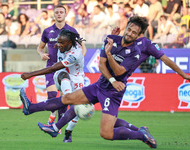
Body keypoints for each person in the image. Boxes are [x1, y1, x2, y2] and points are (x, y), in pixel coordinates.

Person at [20, 16, 158, 148]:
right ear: (126, 27)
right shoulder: (111, 39)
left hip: (111, 92)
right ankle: (35, 112)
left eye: (134, 32)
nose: (129, 33)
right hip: (99, 85)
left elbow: (118, 72)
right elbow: (102, 64)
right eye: (129, 29)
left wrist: (31, 74)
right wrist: (111, 45)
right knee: (68, 99)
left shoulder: (134, 52)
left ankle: (141, 135)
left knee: (106, 132)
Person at [21, 29, 85, 142]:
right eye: (58, 42)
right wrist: (60, 43)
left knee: (76, 110)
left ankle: (66, 132)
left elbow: (52, 68)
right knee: (64, 76)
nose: (59, 45)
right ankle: (66, 98)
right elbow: (56, 69)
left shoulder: (75, 53)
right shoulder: (65, 44)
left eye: (61, 43)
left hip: (77, 79)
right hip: (61, 76)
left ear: (70, 43)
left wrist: (31, 74)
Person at [36, 5, 86, 142]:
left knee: (64, 101)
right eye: (56, 12)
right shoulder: (47, 31)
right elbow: (40, 47)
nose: (59, 14)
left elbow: (81, 48)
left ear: (65, 14)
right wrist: (41, 54)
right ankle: (52, 123)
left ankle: (57, 126)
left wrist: (78, 58)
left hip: (66, 70)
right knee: (53, 96)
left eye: (61, 12)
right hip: (51, 68)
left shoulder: (72, 31)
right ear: (54, 14)